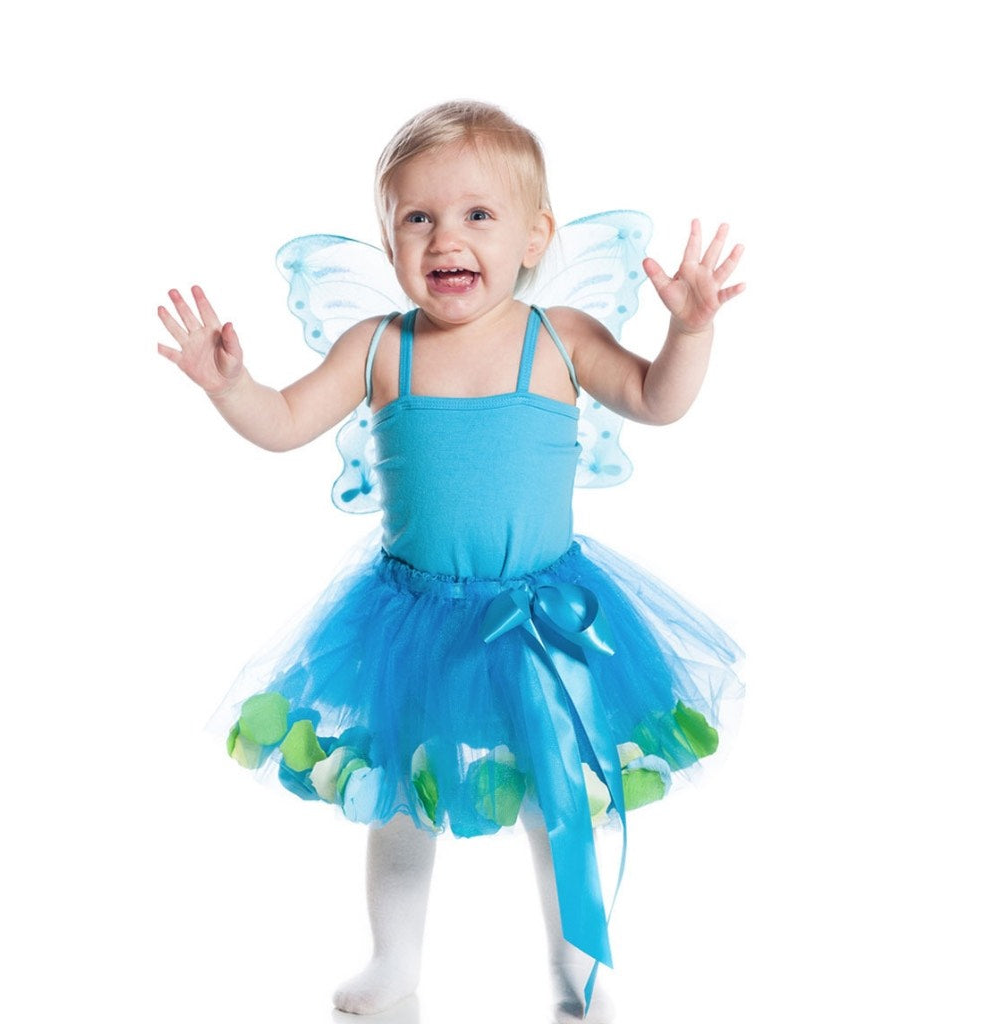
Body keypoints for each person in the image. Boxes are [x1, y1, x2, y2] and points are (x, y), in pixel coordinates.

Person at [158, 100, 745, 1023]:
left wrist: (693, 332)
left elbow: (654, 398)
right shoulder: (379, 346)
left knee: (561, 802)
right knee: (399, 800)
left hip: (544, 615)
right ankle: (393, 964)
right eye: (417, 217)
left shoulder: (562, 338)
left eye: (478, 214)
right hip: (413, 619)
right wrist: (232, 385)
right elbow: (282, 424)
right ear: (390, 239)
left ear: (534, 236)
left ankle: (575, 969)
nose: (446, 237)